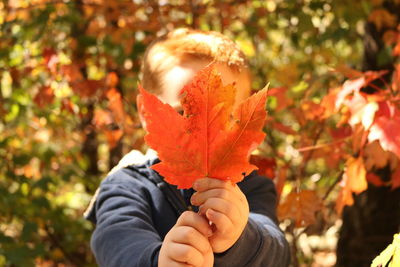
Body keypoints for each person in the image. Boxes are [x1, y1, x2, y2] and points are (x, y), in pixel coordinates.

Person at [85, 28, 290, 267]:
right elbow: (116, 244)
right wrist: (160, 261)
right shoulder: (127, 185)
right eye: (183, 113)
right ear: (146, 112)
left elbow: (278, 252)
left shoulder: (251, 186)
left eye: (225, 117)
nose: (201, 134)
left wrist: (240, 237)